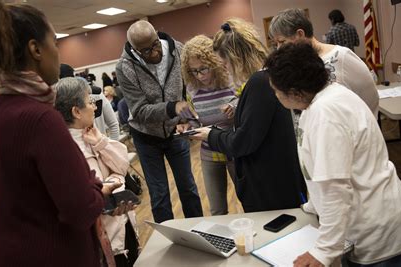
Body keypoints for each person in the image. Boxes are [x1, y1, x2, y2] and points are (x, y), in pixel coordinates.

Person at [0, 1, 117, 266]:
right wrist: (97, 187)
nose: (58, 52)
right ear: (35, 49)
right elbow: (80, 209)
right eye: (54, 43)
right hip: (50, 253)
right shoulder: (40, 117)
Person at [265, 41, 401, 267]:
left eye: (276, 91)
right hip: (376, 216)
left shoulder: (325, 114)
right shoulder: (324, 97)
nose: (275, 96)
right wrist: (312, 209)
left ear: (295, 92)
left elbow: (335, 187)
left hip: (376, 230)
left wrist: (324, 252)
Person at [192, 18, 305, 213]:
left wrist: (210, 135)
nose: (225, 68)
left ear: (236, 58)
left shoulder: (259, 83)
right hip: (276, 181)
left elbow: (243, 142)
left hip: (270, 188)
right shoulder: (265, 78)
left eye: (225, 63)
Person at [116, 20, 203, 223]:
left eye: (154, 45)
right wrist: (173, 108)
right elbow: (139, 110)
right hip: (145, 137)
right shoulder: (125, 67)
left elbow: (189, 88)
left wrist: (184, 118)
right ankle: (167, 244)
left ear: (157, 35)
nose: (153, 53)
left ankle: (200, 232)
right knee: (160, 195)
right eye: (145, 51)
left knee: (188, 188)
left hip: (176, 131)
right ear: (135, 50)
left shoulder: (178, 50)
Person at [55, 77, 139, 267]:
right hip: (104, 239)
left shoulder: (92, 134)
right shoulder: (68, 149)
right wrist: (113, 183)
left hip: (123, 225)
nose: (94, 107)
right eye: (90, 102)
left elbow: (122, 167)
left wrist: (101, 142)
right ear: (76, 111)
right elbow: (96, 189)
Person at [268, 8, 378, 117]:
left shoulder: (342, 56)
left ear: (300, 34)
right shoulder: (296, 65)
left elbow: (370, 97)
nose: (279, 49)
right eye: (276, 44)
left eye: (282, 41)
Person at [178, 35, 237, 215]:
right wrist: (188, 125)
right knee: (217, 210)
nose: (200, 75)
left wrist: (235, 107)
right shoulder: (192, 88)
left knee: (248, 199)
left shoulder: (231, 79)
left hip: (234, 149)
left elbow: (246, 106)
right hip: (209, 152)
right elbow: (196, 119)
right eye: (194, 71)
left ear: (215, 62)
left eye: (203, 69)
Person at [60, 63, 120, 140]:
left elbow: (113, 124)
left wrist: (111, 148)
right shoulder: (62, 103)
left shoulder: (96, 94)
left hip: (101, 145)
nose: (94, 107)